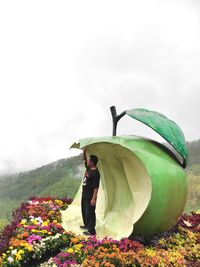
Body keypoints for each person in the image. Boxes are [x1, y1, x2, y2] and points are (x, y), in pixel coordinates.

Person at [80, 149, 100, 236]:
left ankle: (92, 231)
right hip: (84, 193)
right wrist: (84, 151)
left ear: (92, 162)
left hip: (90, 195)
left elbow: (96, 187)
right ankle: (87, 225)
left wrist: (93, 198)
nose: (87, 161)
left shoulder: (96, 173)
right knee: (84, 210)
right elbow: (84, 159)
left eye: (89, 160)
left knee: (90, 212)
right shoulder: (88, 168)